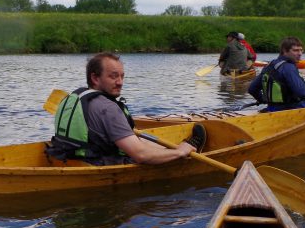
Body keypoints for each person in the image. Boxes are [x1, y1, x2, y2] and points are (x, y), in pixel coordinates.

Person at [48, 52, 206, 165]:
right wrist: (180, 153)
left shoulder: (72, 98)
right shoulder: (108, 108)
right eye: (113, 76)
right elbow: (141, 155)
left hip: (67, 156)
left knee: (141, 139)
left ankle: (183, 145)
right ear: (95, 78)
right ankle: (184, 149)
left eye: (122, 76)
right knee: (143, 148)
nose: (120, 82)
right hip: (97, 162)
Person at [248, 36, 305, 111]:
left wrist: (264, 100)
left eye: (301, 50)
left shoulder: (269, 66)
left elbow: (252, 89)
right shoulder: (288, 67)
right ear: (284, 51)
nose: (300, 54)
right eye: (295, 50)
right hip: (293, 110)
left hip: (272, 109)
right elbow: (302, 93)